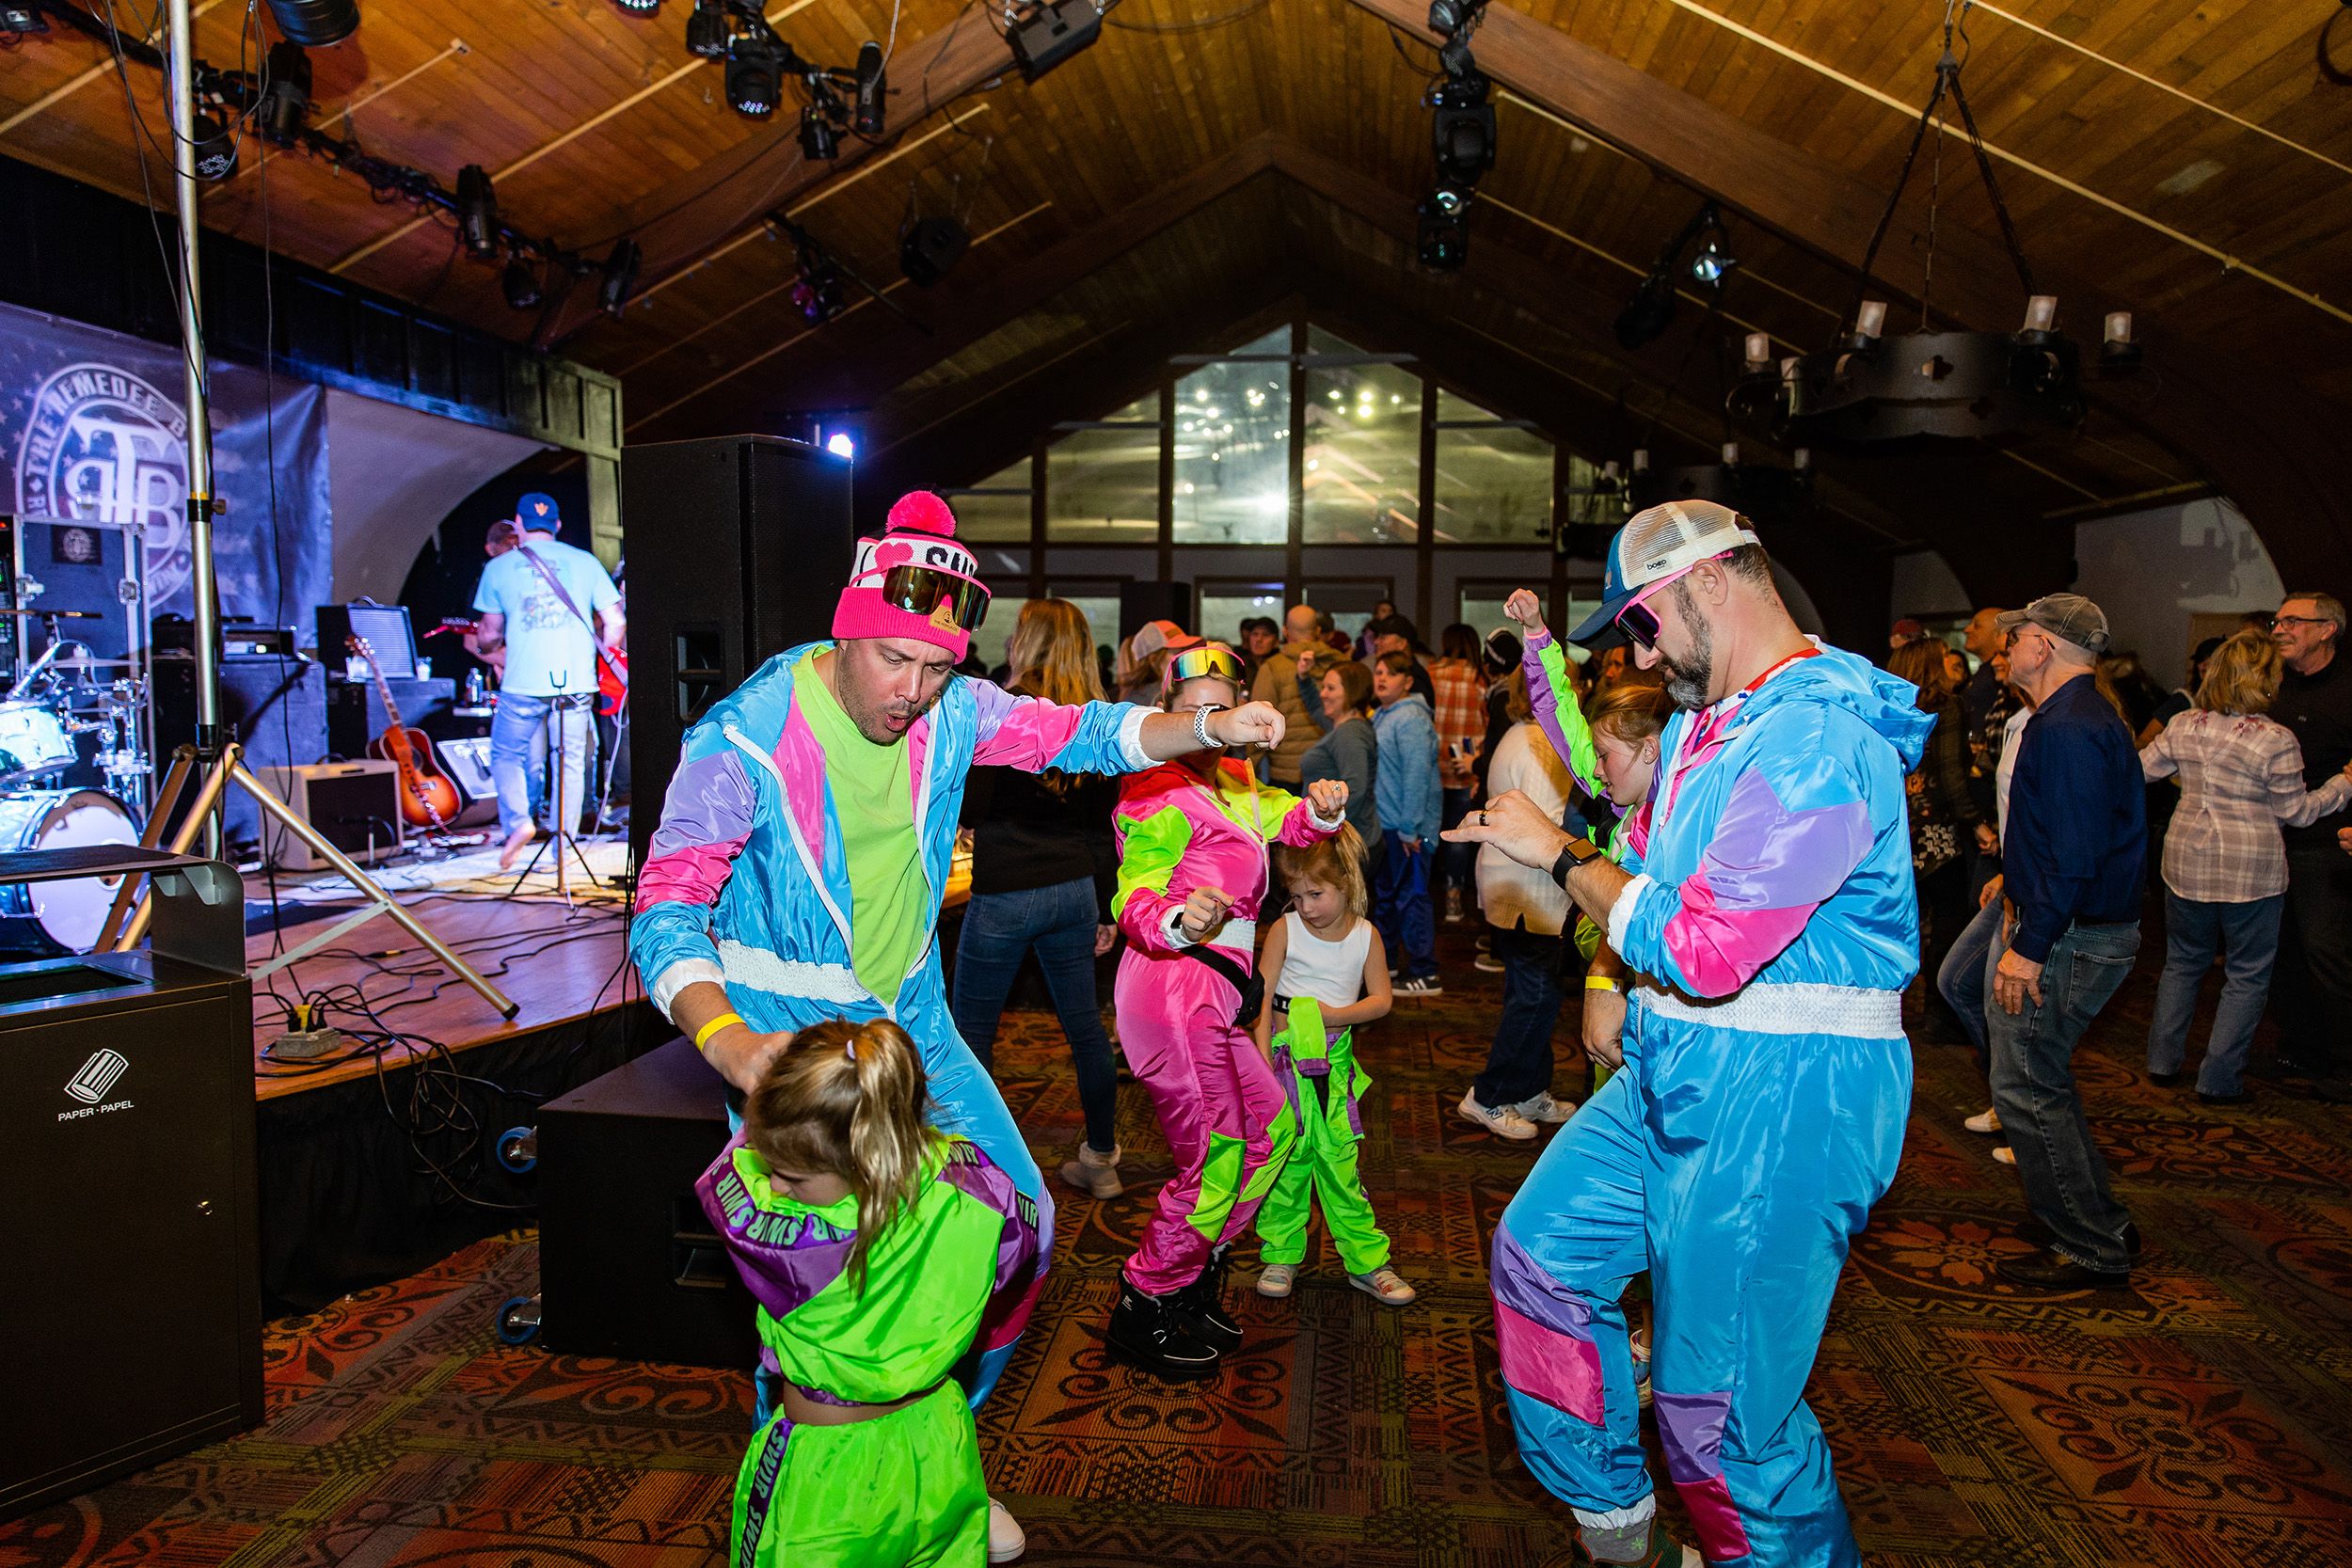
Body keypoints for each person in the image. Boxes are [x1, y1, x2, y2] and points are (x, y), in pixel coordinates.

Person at [631, 494, 1289, 1557]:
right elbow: (665, 905)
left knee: (1015, 1228)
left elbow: (1084, 729)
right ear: (847, 628)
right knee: (822, 1291)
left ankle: (936, 1453)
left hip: (916, 1016)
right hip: (799, 1039)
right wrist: (729, 1043)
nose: (913, 691)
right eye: (894, 660)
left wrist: (1204, 726)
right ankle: (795, 1486)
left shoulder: (952, 710)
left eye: (937, 667)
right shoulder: (746, 735)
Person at [1443, 499, 1926, 1568]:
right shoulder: (1721, 719)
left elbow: (1705, 943)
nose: (1637, 648)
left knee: (1725, 1423)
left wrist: (1563, 857)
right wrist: (1614, 969)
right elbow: (1662, 886)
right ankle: (1619, 1523)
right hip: (1680, 1067)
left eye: (1644, 621)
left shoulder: (1813, 734)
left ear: (1709, 582)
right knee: (1543, 1258)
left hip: (1784, 1095)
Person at [698, 1017, 1041, 1568]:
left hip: (829, 1477)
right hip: (941, 1447)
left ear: (858, 1160)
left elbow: (723, 1181)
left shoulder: (802, 1252)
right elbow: (1019, 1249)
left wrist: (772, 1095)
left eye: (790, 1173)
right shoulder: (979, 1188)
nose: (778, 1184)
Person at [1104, 640, 1348, 1376]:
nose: (1210, 715)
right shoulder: (1155, 783)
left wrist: (1322, 810)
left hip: (1217, 995)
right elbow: (1134, 892)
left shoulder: (1236, 781)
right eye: (1195, 705)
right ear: (1171, 712)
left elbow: (1285, 823)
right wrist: (1179, 919)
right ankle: (1144, 1297)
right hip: (1171, 987)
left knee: (1271, 1130)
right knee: (1214, 1158)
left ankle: (1191, 1270)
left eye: (1223, 702)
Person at [1984, 594, 2147, 1291]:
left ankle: (2090, 1241)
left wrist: (2031, 944)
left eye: (2016, 636)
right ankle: (2091, 1216)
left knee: (2025, 1085)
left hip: (2072, 934)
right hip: (2068, 926)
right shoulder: (2071, 718)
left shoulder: (2070, 727)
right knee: (2038, 1078)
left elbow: (2076, 855)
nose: (2008, 647)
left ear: (2043, 646)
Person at [951, 599, 1125, 1199]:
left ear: (1030, 639)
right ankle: (1102, 1159)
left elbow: (972, 806)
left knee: (971, 1030)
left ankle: (979, 1167)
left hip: (1005, 892)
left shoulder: (1009, 709)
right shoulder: (1096, 719)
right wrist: (1106, 908)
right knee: (1084, 1030)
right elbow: (1105, 827)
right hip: (1075, 888)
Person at [2143, 629, 2352, 1103]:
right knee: (2247, 975)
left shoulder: (2182, 725)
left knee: (2182, 964)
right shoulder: (2276, 739)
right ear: (2264, 679)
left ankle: (2162, 1062)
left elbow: (2139, 771)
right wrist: (2342, 784)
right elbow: (2296, 813)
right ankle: (2218, 1081)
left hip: (2185, 863)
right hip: (2250, 871)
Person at [1250, 830, 1414, 1307]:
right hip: (1283, 1059)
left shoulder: (1366, 936)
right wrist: (1262, 1062)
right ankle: (1281, 1252)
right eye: (1296, 896)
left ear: (1347, 884)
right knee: (1288, 1161)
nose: (1305, 906)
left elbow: (1382, 1000)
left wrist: (1336, 1017)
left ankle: (1367, 1262)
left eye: (1316, 894)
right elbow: (1260, 997)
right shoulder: (1286, 930)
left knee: (1340, 1164)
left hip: (1334, 1064)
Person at [470, 492, 624, 868]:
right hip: (576, 682)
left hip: (523, 683)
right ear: (556, 525)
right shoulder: (585, 562)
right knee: (571, 761)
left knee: (506, 753)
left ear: (519, 525)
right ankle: (564, 847)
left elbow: (488, 633)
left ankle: (519, 823)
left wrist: (492, 644)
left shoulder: (499, 568)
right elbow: (617, 621)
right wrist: (596, 658)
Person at [1459, 669, 1581, 1141]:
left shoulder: (1521, 733)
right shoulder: (1539, 741)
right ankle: (1487, 1096)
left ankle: (1530, 1087)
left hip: (1517, 882)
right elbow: (1545, 826)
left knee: (1537, 994)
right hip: (1529, 884)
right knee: (1534, 997)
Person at [1942, 651, 2033, 1146]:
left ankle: (2026, 1116)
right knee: (1957, 981)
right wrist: (2002, 868)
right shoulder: (2017, 720)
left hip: (2037, 891)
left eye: (2010, 645)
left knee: (2009, 1007)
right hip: (2012, 877)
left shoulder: (2063, 724)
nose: (1998, 658)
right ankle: (2011, 1096)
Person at [2267, 592, 2352, 1087]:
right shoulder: (2273, 685)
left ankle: (2346, 1063)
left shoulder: (2346, 689)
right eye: (2277, 621)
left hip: (2327, 844)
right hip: (2269, 842)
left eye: (2293, 621)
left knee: (2328, 954)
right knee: (2282, 954)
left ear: (2327, 629)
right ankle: (2301, 1049)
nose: (2279, 629)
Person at [1889, 640, 1985, 1043]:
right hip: (1935, 830)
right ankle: (1941, 1015)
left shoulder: (1887, 701)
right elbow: (1950, 774)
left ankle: (1892, 1007)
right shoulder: (1945, 706)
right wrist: (1976, 821)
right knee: (1948, 920)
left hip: (1895, 826)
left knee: (1902, 922)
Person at [1370, 649, 1442, 994]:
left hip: (1409, 828)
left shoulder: (1411, 717)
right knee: (1389, 898)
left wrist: (1411, 828)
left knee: (1412, 899)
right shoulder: (1383, 714)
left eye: (1390, 673)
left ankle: (1425, 971)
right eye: (1378, 672)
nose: (1381, 678)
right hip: (1390, 824)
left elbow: (1417, 776)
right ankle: (1392, 966)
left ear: (1408, 681)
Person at [1293, 656, 1383, 865]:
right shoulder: (1344, 725)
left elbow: (1356, 788)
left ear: (1351, 692)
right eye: (1323, 687)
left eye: (1330, 688)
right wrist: (1304, 678)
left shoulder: (1349, 733)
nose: (1323, 694)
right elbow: (1317, 708)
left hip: (1346, 845)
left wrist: (1324, 824)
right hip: (1341, 838)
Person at [1430, 624, 1488, 924]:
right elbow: (1487, 721)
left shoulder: (1431, 672)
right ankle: (1454, 898)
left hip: (1433, 766)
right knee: (1459, 835)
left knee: (1431, 832)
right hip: (1467, 767)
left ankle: (1428, 895)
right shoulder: (1479, 677)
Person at [1255, 604, 1339, 788]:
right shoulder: (1342, 664)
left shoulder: (1272, 667)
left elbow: (1257, 721)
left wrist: (1250, 768)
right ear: (1317, 630)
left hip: (1284, 773)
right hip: (1330, 770)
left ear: (1285, 631)